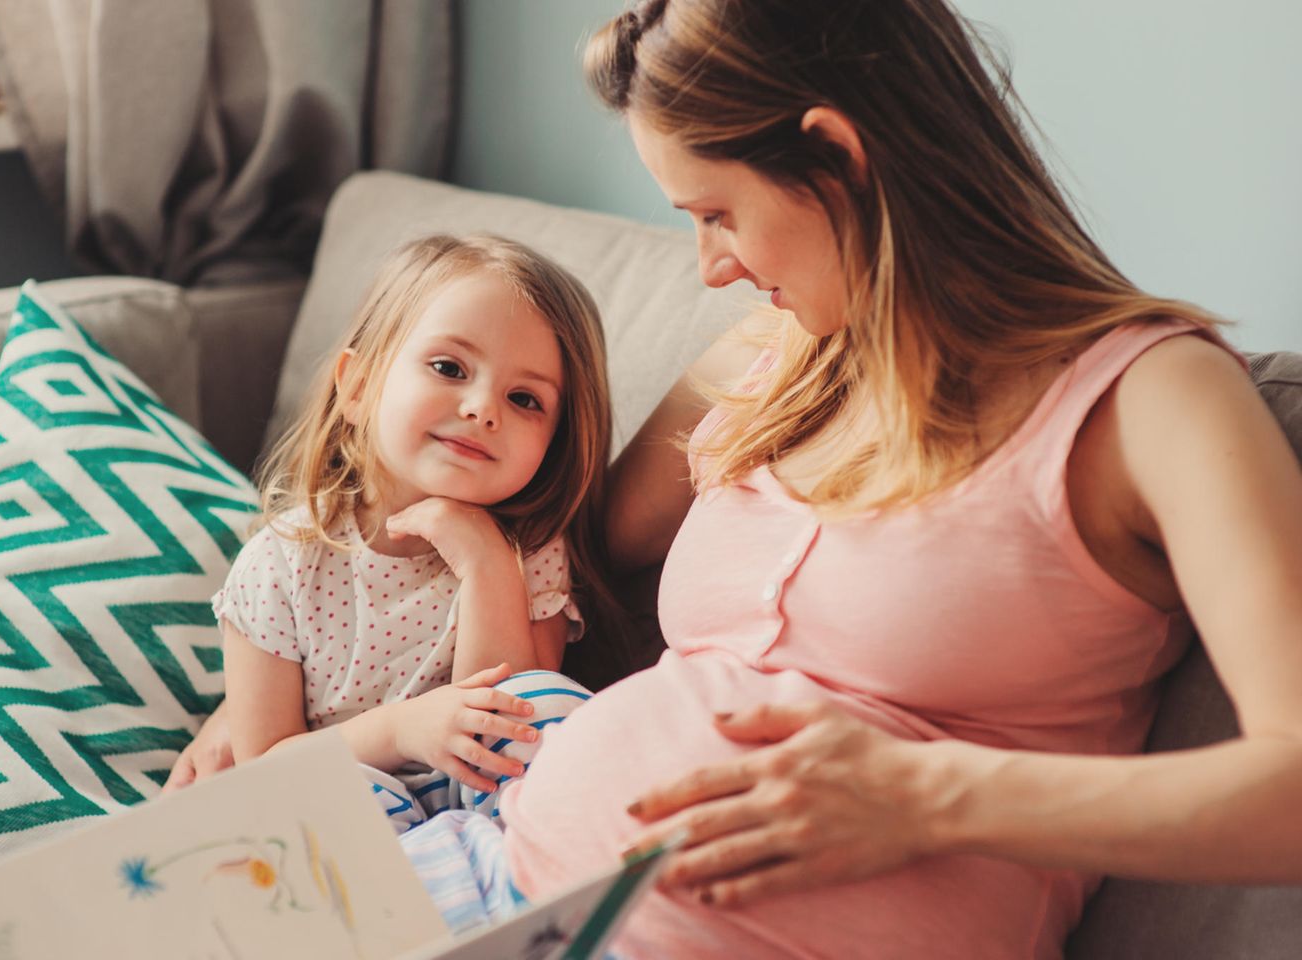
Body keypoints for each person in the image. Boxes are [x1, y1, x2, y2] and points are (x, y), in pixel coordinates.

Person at [171, 2, 1302, 957]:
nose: (709, 266)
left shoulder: (1154, 401)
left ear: (838, 158)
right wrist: (267, 701)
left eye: (716, 214)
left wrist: (928, 797)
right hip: (494, 878)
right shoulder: (770, 357)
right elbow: (540, 526)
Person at [212, 233, 610, 830]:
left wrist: (485, 565)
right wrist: (402, 730)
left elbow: (511, 724)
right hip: (353, 811)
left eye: (525, 398)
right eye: (449, 368)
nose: (482, 408)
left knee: (553, 706)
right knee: (331, 801)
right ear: (359, 386)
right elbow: (265, 766)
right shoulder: (279, 565)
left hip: (488, 806)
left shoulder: (530, 552)